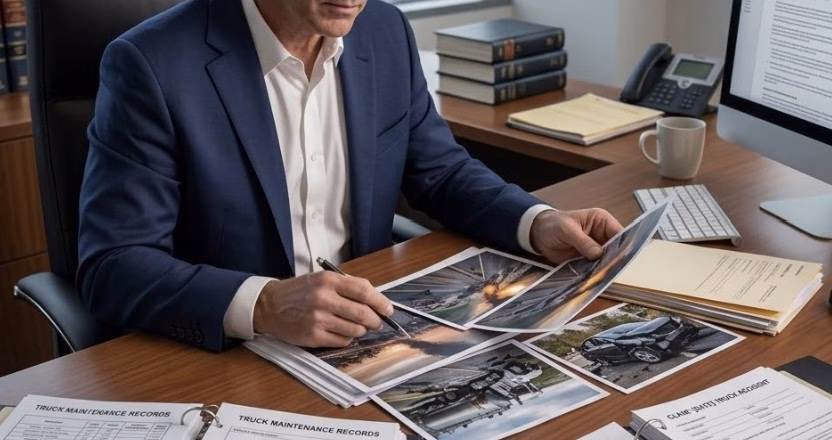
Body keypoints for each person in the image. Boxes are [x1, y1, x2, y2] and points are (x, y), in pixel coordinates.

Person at [77, 0, 623, 352]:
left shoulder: (384, 31)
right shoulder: (151, 64)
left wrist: (535, 221)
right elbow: (114, 265)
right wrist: (266, 304)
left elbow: (441, 171)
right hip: (236, 353)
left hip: (371, 335)